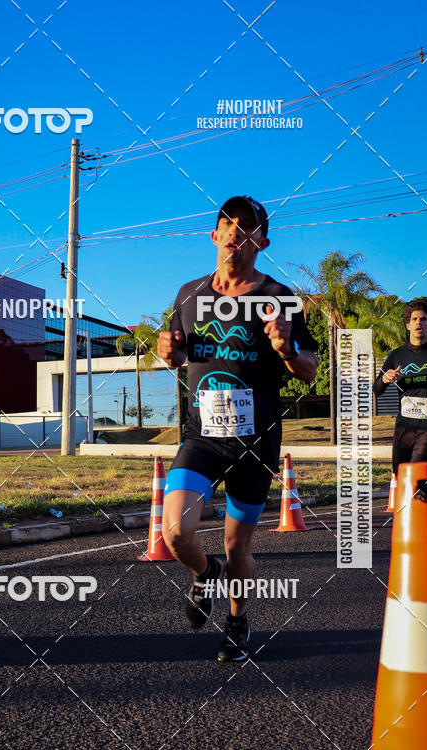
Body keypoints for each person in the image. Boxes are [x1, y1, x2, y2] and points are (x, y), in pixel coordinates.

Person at [157, 196, 318, 662]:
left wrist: (287, 350)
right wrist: (170, 355)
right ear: (214, 235)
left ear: (262, 242)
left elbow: (308, 370)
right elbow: (185, 356)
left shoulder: (280, 297)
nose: (235, 233)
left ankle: (236, 621)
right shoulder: (189, 295)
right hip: (202, 435)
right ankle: (205, 572)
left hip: (256, 442)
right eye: (227, 224)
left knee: (237, 543)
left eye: (247, 228)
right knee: (175, 532)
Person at [373, 299, 427, 474]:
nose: (418, 323)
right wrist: (384, 379)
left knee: (415, 472)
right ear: (408, 325)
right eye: (414, 319)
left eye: (423, 319)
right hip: (404, 427)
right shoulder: (396, 355)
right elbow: (376, 390)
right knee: (401, 475)